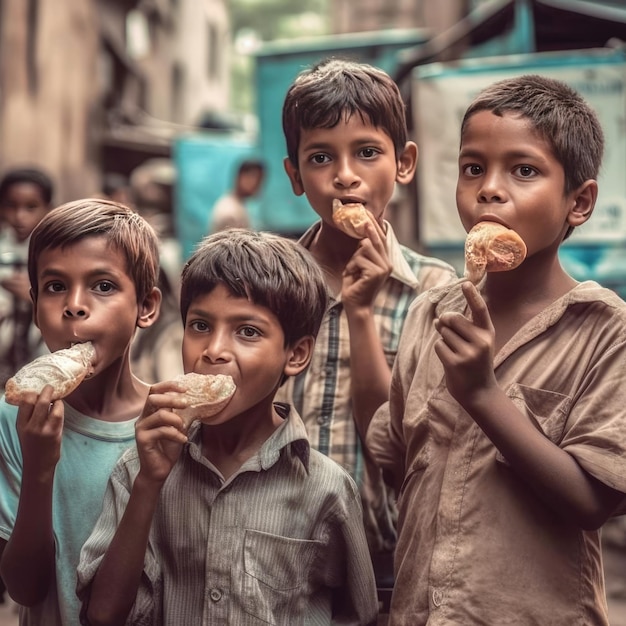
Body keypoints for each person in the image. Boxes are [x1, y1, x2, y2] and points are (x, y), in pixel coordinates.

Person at [367, 74, 626, 624]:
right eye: (472, 168)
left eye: (524, 170)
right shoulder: (428, 316)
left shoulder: (604, 330)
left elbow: (593, 503)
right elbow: (397, 460)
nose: (489, 188)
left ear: (578, 202)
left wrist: (483, 395)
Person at [76, 229, 379, 625]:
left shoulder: (327, 489)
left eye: (247, 332)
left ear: (296, 354)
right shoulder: (139, 468)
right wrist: (148, 484)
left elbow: (359, 616)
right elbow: (101, 616)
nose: (214, 350)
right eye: (200, 326)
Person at [277, 57, 457, 587]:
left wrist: (359, 311)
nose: (345, 175)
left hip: (387, 556)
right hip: (278, 545)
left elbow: (396, 446)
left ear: (403, 163)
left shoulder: (435, 291)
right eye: (320, 157)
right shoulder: (268, 282)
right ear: (294, 175)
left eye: (367, 152)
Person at [0, 199, 162, 626]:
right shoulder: (11, 419)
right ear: (35, 307)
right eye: (55, 287)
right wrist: (39, 467)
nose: (74, 305)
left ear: (146, 306)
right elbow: (25, 589)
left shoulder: (169, 423)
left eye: (103, 286)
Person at [0, 167, 55, 386]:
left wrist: (34, 297)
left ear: (48, 208)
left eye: (31, 207)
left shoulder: (54, 253)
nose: (19, 216)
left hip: (39, 358)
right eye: (11, 206)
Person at [208, 158, 265, 233]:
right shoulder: (230, 213)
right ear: (239, 176)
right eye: (253, 177)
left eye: (260, 179)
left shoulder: (236, 204)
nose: (257, 183)